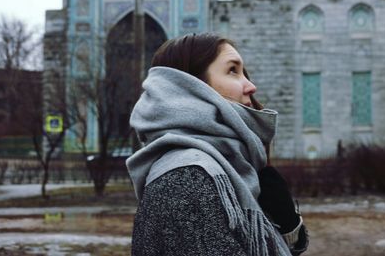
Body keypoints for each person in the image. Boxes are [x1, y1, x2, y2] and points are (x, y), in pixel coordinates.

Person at [127, 32, 309, 256]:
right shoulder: (189, 178)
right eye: (233, 70)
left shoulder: (228, 170)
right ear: (189, 88)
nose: (251, 86)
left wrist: (288, 227)